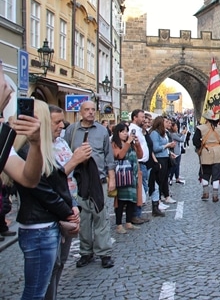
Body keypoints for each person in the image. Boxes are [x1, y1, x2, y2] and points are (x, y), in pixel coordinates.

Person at [11, 100, 78, 299]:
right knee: (35, 291)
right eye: (55, 122)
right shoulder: (27, 152)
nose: (62, 126)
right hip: (39, 226)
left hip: (46, 224)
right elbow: (43, 190)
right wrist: (68, 213)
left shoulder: (43, 149)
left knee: (45, 281)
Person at [45, 105, 91, 300]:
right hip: (51, 212)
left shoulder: (62, 142)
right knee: (50, 265)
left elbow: (68, 178)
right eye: (57, 122)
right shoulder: (39, 148)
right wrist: (74, 160)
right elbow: (48, 180)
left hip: (69, 204)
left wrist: (73, 205)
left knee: (61, 262)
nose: (62, 125)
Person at [63, 100, 116, 269]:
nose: (91, 112)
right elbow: (65, 154)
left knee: (101, 217)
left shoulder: (102, 131)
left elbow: (109, 157)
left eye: (93, 110)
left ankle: (104, 253)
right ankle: (86, 252)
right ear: (81, 112)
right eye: (87, 110)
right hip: (78, 181)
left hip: (98, 180)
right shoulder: (71, 131)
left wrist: (112, 178)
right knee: (84, 219)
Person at [111, 123, 143, 234]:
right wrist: (128, 143)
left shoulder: (131, 144)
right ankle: (119, 224)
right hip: (122, 176)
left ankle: (128, 222)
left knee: (131, 200)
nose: (125, 134)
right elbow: (120, 155)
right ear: (117, 133)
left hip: (133, 175)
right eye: (122, 131)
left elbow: (140, 155)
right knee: (120, 201)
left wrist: (137, 144)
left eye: (126, 131)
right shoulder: (115, 144)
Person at [195, 110, 220, 202]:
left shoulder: (200, 128)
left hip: (206, 152)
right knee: (216, 175)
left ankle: (205, 193)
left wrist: (200, 146)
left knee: (205, 173)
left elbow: (195, 141)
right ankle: (215, 196)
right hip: (218, 153)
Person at [149, 116, 177, 205]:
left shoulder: (163, 133)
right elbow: (155, 148)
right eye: (165, 121)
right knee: (159, 179)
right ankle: (158, 200)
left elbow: (164, 146)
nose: (167, 123)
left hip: (165, 157)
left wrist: (169, 152)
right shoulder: (154, 134)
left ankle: (167, 196)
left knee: (165, 178)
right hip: (159, 158)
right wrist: (167, 145)